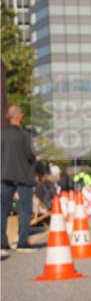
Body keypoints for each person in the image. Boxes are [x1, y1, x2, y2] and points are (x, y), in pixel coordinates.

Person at [2, 105, 37, 251]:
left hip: (4, 175)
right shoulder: (25, 134)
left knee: (2, 209)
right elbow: (30, 154)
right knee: (25, 209)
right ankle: (22, 242)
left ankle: (2, 243)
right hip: (23, 176)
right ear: (19, 116)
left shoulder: (1, 134)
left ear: (8, 117)